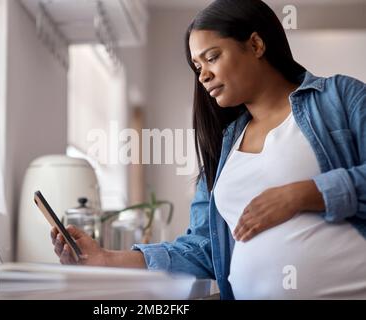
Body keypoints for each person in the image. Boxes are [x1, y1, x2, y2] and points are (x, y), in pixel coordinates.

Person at [51, 0, 366, 299]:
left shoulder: (339, 97)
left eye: (212, 57)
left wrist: (303, 194)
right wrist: (105, 258)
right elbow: (203, 249)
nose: (202, 75)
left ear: (256, 45)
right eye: (196, 65)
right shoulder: (224, 146)